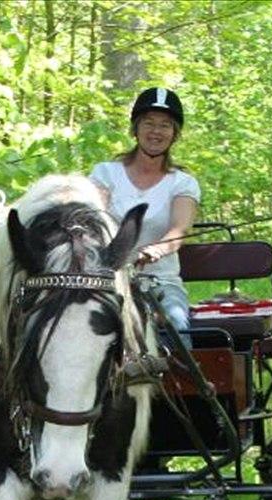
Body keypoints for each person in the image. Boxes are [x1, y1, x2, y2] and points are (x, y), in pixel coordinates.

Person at [90, 87, 200, 346]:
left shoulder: (183, 183)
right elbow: (94, 216)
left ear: (174, 134)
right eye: (148, 123)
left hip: (160, 283)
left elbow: (179, 230)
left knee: (177, 325)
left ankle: (182, 386)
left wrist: (159, 249)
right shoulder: (105, 173)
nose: (156, 131)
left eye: (165, 125)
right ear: (135, 129)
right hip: (108, 280)